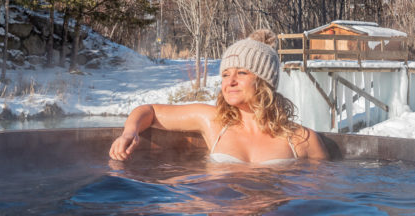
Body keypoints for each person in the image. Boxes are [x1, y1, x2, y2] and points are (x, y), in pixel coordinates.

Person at [109, 30, 328, 164]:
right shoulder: (214, 121)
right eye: (225, 74)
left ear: (265, 82)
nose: (229, 81)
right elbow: (150, 111)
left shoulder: (301, 139)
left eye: (241, 73)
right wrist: (129, 133)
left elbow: (320, 201)